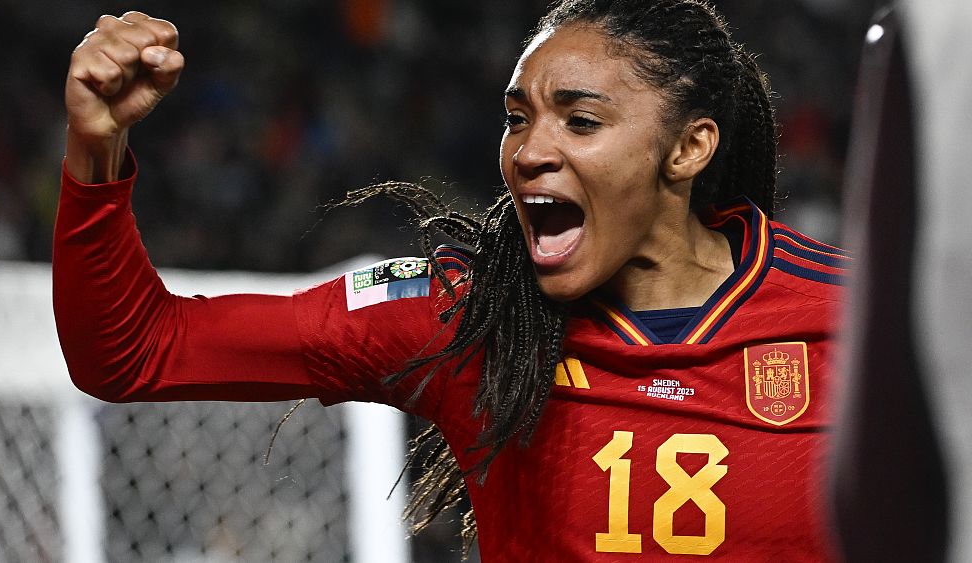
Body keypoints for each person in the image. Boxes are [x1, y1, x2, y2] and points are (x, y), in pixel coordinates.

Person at [54, 1, 848, 559]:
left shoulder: (851, 322)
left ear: (688, 148)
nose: (528, 152)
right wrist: (96, 148)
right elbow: (135, 350)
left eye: (580, 121)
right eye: (517, 118)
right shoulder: (470, 315)